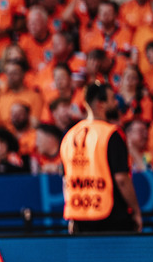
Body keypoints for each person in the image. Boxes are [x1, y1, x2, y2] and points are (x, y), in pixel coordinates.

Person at [60, 82, 142, 233]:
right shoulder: (111, 134)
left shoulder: (70, 135)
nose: (116, 102)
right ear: (100, 104)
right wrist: (136, 210)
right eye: (112, 99)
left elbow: (67, 181)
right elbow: (122, 180)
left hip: (80, 218)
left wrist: (72, 215)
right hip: (111, 217)